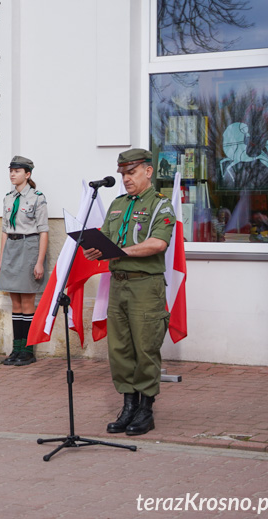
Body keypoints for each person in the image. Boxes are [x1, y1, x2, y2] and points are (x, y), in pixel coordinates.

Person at [84, 148, 175, 436]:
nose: (125, 178)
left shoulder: (161, 206)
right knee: (120, 349)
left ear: (148, 171)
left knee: (145, 348)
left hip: (145, 286)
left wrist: (121, 251)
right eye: (122, 173)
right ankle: (128, 405)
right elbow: (108, 241)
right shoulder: (117, 204)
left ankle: (146, 410)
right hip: (119, 284)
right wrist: (94, 248)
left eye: (131, 172)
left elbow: (158, 243)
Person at [0, 156, 49, 366]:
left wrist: (39, 262)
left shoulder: (38, 197)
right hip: (11, 247)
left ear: (27, 174)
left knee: (27, 301)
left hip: (29, 247)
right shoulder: (8, 198)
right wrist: (1, 258)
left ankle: (28, 350)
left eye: (17, 171)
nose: (12, 174)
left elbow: (44, 231)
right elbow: (4, 230)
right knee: (15, 302)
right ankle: (16, 349)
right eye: (11, 170)